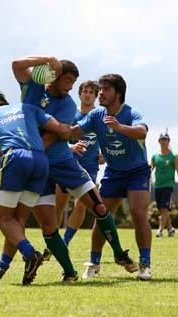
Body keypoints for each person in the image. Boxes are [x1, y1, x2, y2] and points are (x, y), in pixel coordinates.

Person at [12, 56, 137, 280]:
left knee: (98, 208)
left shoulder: (68, 105)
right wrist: (48, 59)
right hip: (38, 168)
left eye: (73, 82)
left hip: (63, 164)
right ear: (54, 76)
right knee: (49, 226)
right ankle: (70, 272)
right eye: (67, 81)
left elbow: (51, 136)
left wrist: (28, 153)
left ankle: (118, 254)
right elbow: (16, 65)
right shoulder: (33, 88)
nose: (70, 87)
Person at [0, 88, 73, 285]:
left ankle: (30, 254)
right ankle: (3, 266)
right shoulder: (27, 108)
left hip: (15, 157)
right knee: (17, 220)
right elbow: (61, 130)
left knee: (1, 218)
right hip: (41, 160)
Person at [65, 74, 153, 280]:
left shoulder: (131, 112)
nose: (101, 93)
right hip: (113, 172)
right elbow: (76, 131)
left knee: (138, 213)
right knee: (102, 214)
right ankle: (94, 262)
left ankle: (145, 264)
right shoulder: (96, 115)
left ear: (118, 93)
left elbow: (142, 132)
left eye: (106, 90)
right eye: (100, 89)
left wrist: (120, 127)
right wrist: (55, 129)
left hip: (137, 170)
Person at [55, 80, 103, 247]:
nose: (88, 94)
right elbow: (59, 138)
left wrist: (105, 155)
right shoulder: (71, 115)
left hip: (90, 167)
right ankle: (53, 240)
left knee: (82, 206)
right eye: (85, 91)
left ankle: (65, 241)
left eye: (91, 92)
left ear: (96, 96)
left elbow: (109, 139)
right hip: (68, 163)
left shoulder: (100, 116)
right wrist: (71, 147)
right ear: (80, 94)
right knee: (60, 203)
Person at [151, 131, 178, 237]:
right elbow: (150, 169)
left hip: (168, 185)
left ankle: (160, 230)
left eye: (166, 139)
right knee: (162, 209)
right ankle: (170, 229)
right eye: (162, 139)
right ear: (159, 141)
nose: (164, 141)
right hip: (157, 186)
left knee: (165, 208)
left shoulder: (174, 156)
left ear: (168, 141)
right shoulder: (155, 156)